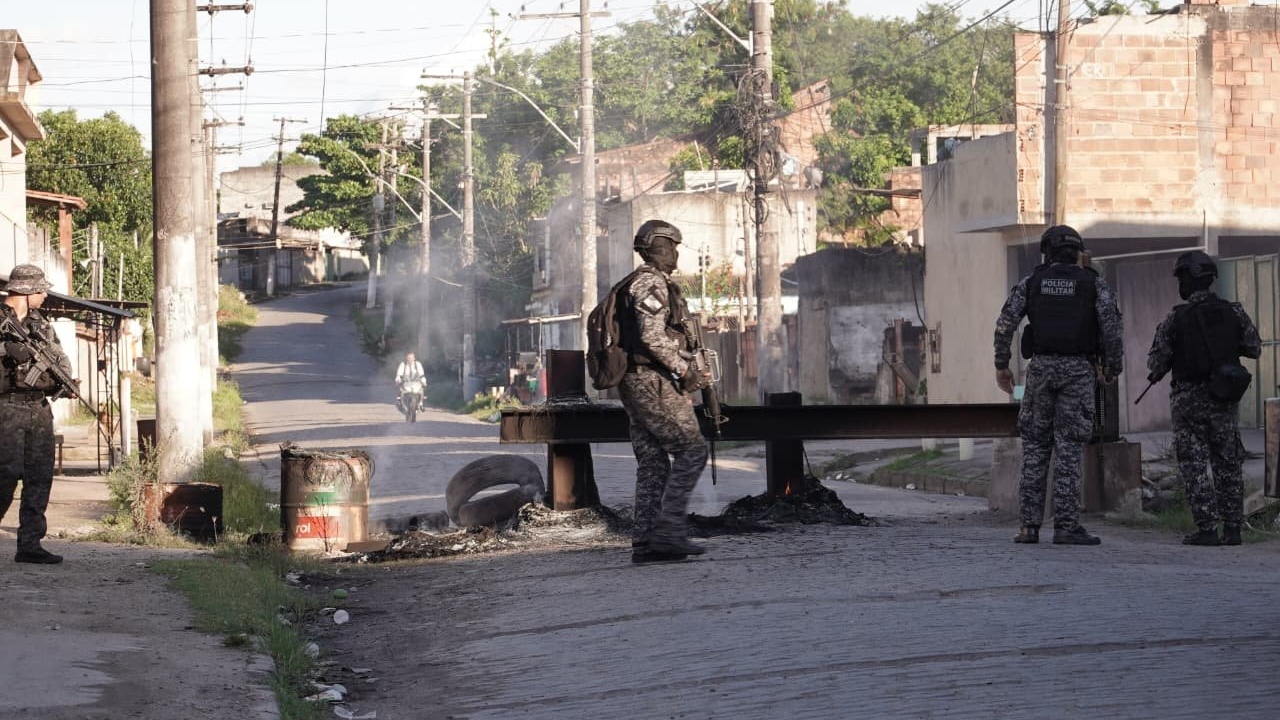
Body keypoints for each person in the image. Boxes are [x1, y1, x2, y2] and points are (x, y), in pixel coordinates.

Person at [993, 226, 1124, 546]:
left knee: (1035, 447)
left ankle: (1029, 527)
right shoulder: (1094, 285)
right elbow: (1111, 328)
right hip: (1078, 372)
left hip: (1040, 371)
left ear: (1046, 252)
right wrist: (1112, 367)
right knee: (1070, 448)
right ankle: (1066, 526)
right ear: (1078, 252)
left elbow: (1005, 324)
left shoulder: (1031, 283)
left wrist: (1002, 364)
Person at [1146, 251, 1261, 546]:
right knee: (1228, 462)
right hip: (1223, 397)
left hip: (1188, 401)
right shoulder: (1234, 312)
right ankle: (1233, 530)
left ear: (1189, 280)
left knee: (1194, 465)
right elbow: (1254, 347)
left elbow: (1156, 363)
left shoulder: (1175, 319)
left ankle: (1207, 529)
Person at [618, 219, 712, 564]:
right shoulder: (650, 282)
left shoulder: (640, 281)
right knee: (692, 450)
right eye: (671, 246)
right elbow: (652, 337)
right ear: (657, 247)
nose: (675, 254)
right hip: (650, 381)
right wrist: (685, 371)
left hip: (636, 381)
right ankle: (669, 531)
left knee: (654, 462)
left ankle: (645, 542)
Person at [0, 264, 75, 564]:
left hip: (39, 408)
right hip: (6, 407)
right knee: (5, 474)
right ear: (26, 290)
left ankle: (30, 544)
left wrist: (63, 381)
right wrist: (6, 350)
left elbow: (61, 361)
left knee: (40, 475)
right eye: (40, 290)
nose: (44, 295)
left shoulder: (41, 326)